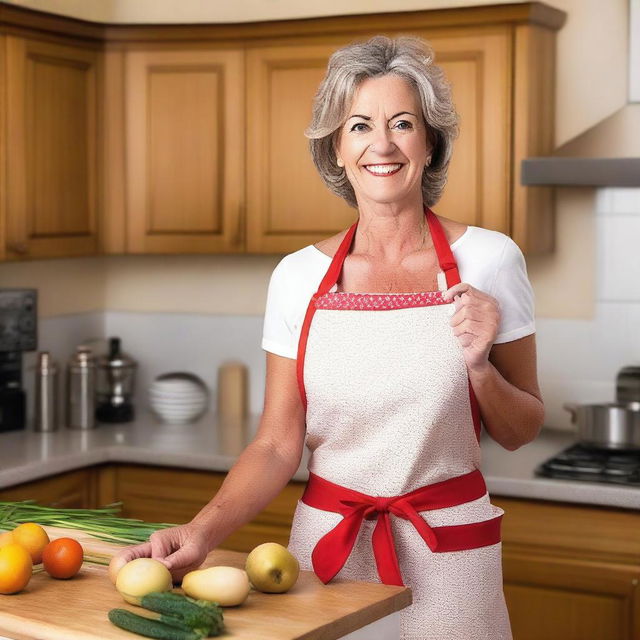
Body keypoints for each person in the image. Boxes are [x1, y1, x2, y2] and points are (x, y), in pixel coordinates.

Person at [116, 35, 543, 640]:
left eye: (403, 123)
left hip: (450, 545)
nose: (383, 144)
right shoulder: (298, 278)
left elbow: (521, 428)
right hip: (326, 553)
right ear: (337, 150)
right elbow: (275, 444)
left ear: (430, 142)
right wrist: (203, 531)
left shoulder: (491, 260)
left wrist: (480, 367)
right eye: (360, 126)